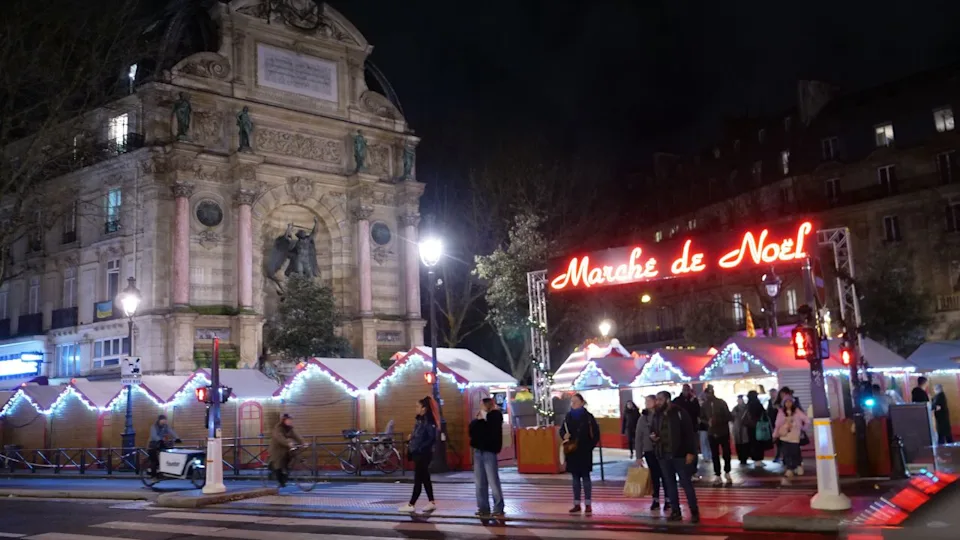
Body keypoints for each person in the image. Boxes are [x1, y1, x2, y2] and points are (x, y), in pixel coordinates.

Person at [652, 391, 700, 523]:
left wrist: (691, 452)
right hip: (663, 454)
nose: (657, 402)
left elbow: (689, 434)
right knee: (669, 483)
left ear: (667, 400)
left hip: (680, 454)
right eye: (656, 399)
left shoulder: (680, 413)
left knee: (686, 483)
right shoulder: (657, 414)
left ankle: (694, 511)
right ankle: (675, 511)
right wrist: (654, 438)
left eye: (660, 399)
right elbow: (654, 430)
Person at [560, 393, 600, 515]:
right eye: (572, 402)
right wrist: (564, 435)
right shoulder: (568, 416)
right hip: (572, 452)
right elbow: (562, 430)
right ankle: (576, 503)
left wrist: (589, 447)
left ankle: (588, 503)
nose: (573, 404)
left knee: (586, 478)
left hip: (584, 451)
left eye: (576, 401)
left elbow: (596, 434)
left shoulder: (588, 417)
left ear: (582, 402)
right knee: (575, 479)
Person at [399, 397, 439, 513]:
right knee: (425, 478)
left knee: (418, 479)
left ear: (424, 409)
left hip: (423, 454)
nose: (415, 409)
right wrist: (411, 439)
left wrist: (419, 448)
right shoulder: (421, 420)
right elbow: (420, 436)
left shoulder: (428, 422)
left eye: (417, 406)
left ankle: (411, 504)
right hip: (419, 452)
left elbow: (431, 438)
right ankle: (431, 502)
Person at [470, 398, 505, 517]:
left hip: (489, 450)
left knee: (492, 480)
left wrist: (481, 420)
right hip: (478, 451)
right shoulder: (478, 419)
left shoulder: (495, 415)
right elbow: (472, 431)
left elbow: (490, 430)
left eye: (481, 404)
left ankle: (498, 507)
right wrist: (479, 421)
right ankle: (483, 507)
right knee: (480, 481)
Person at [635, 394, 665, 511]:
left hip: (662, 449)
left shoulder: (661, 415)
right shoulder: (643, 418)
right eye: (645, 401)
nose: (647, 403)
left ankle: (668, 499)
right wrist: (638, 456)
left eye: (649, 401)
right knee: (654, 476)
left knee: (665, 475)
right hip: (649, 450)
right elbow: (638, 437)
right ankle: (656, 499)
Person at [701, 386, 732, 483]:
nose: (708, 395)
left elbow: (728, 416)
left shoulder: (721, 403)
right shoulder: (704, 405)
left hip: (723, 431)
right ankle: (717, 474)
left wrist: (717, 421)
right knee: (715, 454)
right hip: (711, 432)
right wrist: (707, 422)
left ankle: (727, 471)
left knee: (726, 453)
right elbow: (701, 418)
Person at [773, 396, 809, 479]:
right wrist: (775, 434)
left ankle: (797, 466)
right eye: (786, 402)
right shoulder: (781, 412)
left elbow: (806, 420)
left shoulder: (797, 411)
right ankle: (790, 469)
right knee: (787, 453)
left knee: (795, 452)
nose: (788, 404)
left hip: (795, 436)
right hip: (784, 435)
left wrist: (803, 428)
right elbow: (777, 424)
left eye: (790, 402)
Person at [673, 384, 702, 476]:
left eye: (687, 390)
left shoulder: (693, 400)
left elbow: (697, 412)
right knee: (683, 449)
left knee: (692, 449)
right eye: (685, 390)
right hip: (680, 429)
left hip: (692, 428)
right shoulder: (677, 401)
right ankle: (684, 469)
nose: (686, 392)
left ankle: (692, 470)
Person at [268, 414, 304, 488]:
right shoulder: (278, 428)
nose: (290, 422)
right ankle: (280, 481)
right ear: (284, 421)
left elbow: (296, 436)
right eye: (288, 420)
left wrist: (303, 442)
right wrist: (288, 443)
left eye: (291, 420)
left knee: (289, 459)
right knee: (278, 464)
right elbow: (280, 437)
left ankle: (286, 472)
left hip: (285, 448)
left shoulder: (290, 429)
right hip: (277, 449)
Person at [746, 390, 770, 467]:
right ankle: (759, 459)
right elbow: (764, 414)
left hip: (750, 427)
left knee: (752, 443)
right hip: (759, 426)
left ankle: (755, 459)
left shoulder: (748, 405)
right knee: (759, 443)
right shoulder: (758, 404)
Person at [731, 395, 750, 466]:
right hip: (738, 428)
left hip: (743, 428)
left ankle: (744, 458)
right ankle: (741, 458)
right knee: (739, 443)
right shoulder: (735, 408)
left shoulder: (746, 408)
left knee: (744, 443)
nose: (739, 401)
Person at [767, 389, 781, 463]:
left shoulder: (780, 401)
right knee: (776, 441)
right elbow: (768, 412)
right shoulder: (769, 401)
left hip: (780, 423)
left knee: (781, 440)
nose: (771, 395)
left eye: (773, 393)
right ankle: (777, 456)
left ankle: (780, 456)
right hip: (772, 424)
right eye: (770, 393)